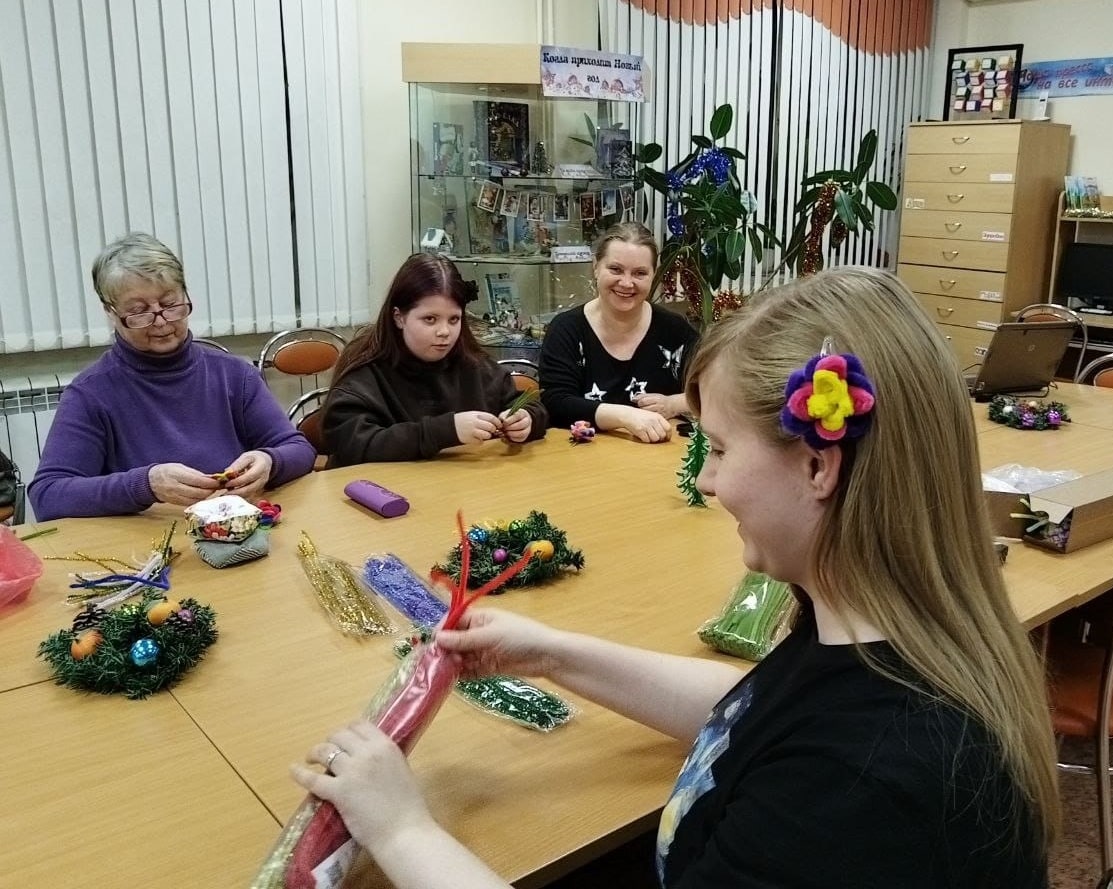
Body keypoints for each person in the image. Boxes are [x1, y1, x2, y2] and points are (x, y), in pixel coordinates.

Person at [293, 267, 1060, 887]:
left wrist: (401, 828)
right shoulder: (876, 632)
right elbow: (754, 707)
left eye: (718, 448)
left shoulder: (860, 785)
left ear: (819, 465)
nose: (709, 480)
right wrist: (551, 652)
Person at [29, 233, 316, 521]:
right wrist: (146, 484)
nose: (161, 321)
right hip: (149, 539)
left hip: (233, 530)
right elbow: (48, 496)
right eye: (139, 311)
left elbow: (299, 450)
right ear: (110, 312)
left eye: (170, 304)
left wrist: (270, 461)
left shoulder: (234, 374)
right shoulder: (91, 393)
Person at [321, 254, 548, 468]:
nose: (444, 332)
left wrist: (526, 419)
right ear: (399, 317)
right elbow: (352, 445)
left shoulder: (474, 365)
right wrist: (446, 431)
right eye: (430, 319)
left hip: (463, 486)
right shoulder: (365, 374)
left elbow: (526, 404)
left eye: (454, 319)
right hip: (385, 491)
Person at [538, 222, 699, 443]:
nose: (626, 283)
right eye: (615, 269)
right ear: (596, 267)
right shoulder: (566, 329)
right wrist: (625, 416)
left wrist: (674, 404)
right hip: (580, 456)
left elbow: (721, 388)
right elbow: (555, 403)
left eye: (640, 273)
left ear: (654, 275)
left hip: (656, 455)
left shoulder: (675, 329)